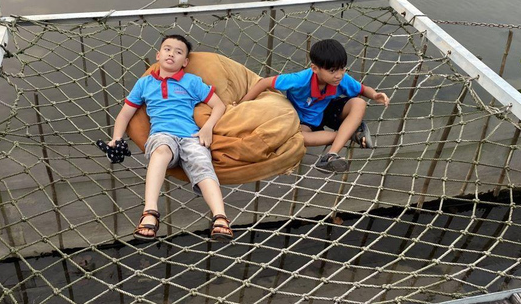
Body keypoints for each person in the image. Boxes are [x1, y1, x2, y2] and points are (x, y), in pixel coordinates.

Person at [105, 34, 233, 240]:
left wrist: (207, 127)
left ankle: (220, 217)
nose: (172, 53)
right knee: (160, 150)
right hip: (162, 134)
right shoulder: (144, 84)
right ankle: (150, 212)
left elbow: (219, 105)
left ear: (186, 62)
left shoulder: (192, 81)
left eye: (179, 51)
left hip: (191, 135)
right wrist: (116, 138)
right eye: (167, 49)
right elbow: (125, 113)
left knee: (202, 163)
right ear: (158, 55)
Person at [239, 38, 390, 172]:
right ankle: (349, 134)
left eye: (342, 68)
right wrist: (243, 103)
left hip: (328, 111)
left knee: (359, 103)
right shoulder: (300, 80)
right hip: (304, 119)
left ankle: (331, 155)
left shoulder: (341, 79)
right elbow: (265, 82)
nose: (338, 74)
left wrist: (375, 95)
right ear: (315, 68)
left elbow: (363, 89)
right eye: (332, 70)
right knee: (300, 138)